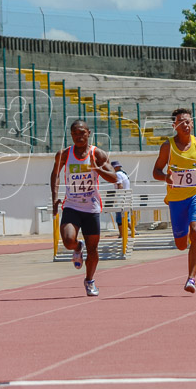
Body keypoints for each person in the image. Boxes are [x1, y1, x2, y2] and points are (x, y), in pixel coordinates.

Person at [152, 107, 196, 293]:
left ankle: (191, 278)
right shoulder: (168, 146)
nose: (185, 125)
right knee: (181, 244)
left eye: (188, 121)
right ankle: (188, 240)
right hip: (176, 200)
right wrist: (166, 177)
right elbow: (155, 171)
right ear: (175, 126)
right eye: (181, 122)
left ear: (192, 123)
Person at [50, 119, 118, 297]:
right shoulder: (64, 154)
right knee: (67, 240)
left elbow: (114, 178)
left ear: (89, 133)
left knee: (93, 249)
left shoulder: (98, 154)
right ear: (71, 135)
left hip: (91, 207)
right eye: (75, 133)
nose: (79, 136)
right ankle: (77, 246)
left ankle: (89, 280)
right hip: (72, 205)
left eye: (82, 133)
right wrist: (54, 198)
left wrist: (98, 168)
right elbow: (56, 174)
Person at [111, 160, 132, 230]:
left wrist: (117, 198)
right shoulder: (124, 173)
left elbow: (120, 185)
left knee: (119, 218)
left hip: (122, 198)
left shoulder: (117, 174)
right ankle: (133, 231)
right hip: (127, 197)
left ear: (116, 167)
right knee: (125, 216)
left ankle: (121, 234)